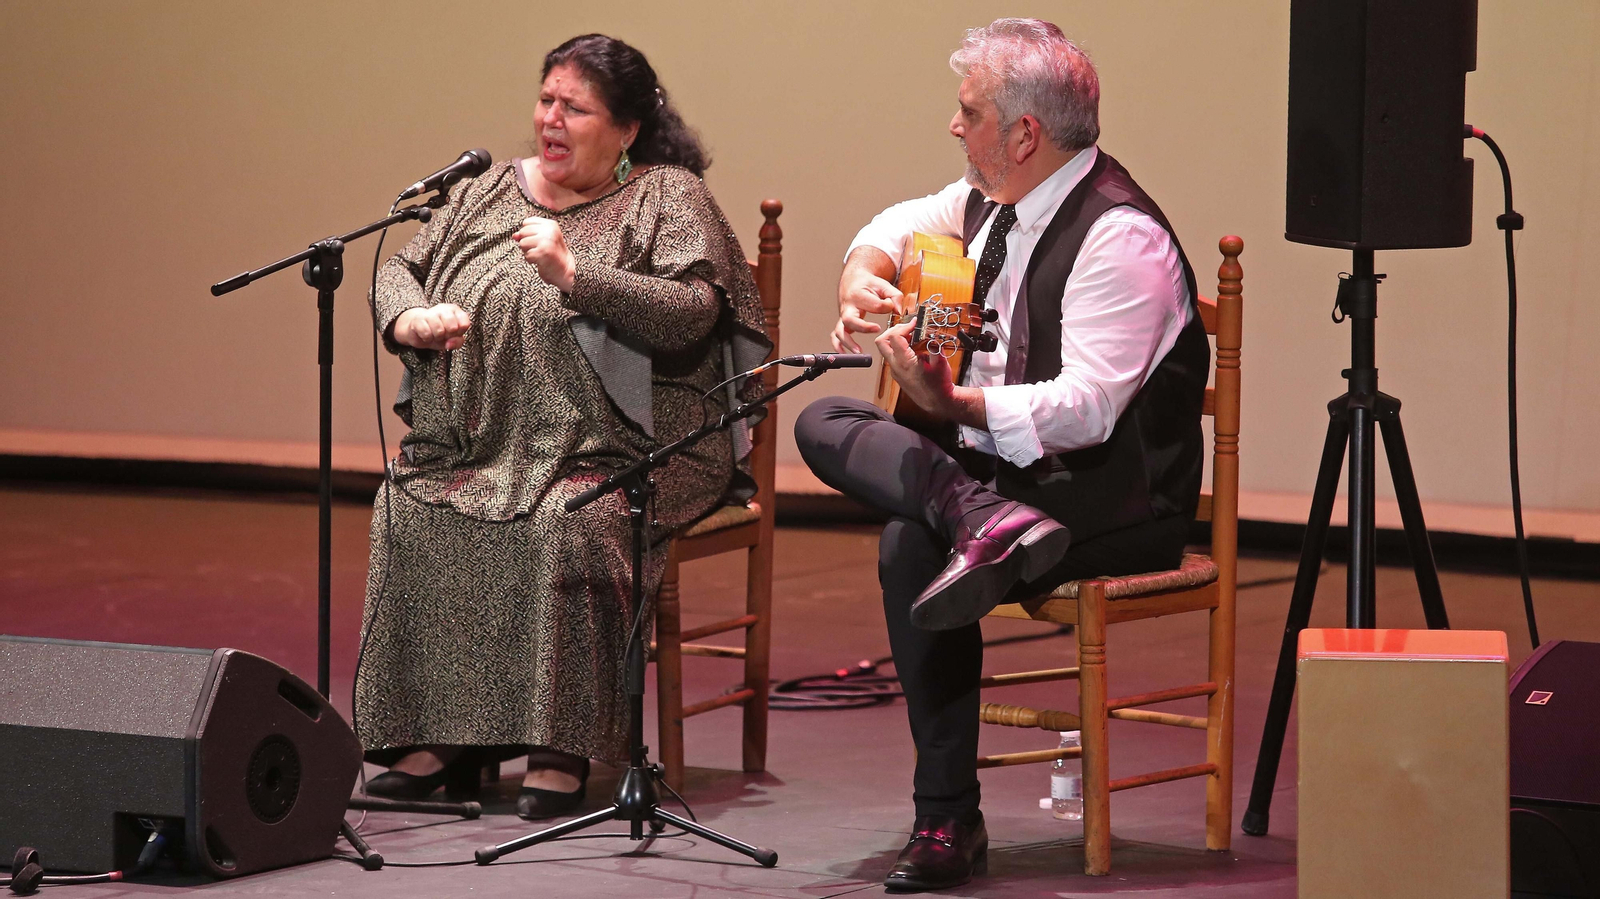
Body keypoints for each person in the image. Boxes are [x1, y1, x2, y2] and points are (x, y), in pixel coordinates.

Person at [794, 18, 1208, 892]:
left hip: (1109, 501)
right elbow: (900, 219)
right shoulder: (993, 196)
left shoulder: (1119, 237)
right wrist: (861, 272)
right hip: (999, 486)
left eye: (968, 111)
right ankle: (979, 517)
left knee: (911, 542)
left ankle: (944, 820)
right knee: (821, 417)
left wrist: (956, 403)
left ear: (1024, 134)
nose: (954, 126)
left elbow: (1088, 410)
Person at [355, 34, 769, 822]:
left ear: (625, 129)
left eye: (573, 107)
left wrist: (578, 274)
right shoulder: (488, 190)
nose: (550, 118)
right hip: (485, 438)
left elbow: (696, 311)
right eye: (546, 99)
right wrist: (408, 314)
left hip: (625, 443)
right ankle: (450, 733)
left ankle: (561, 741)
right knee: (409, 506)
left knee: (566, 523)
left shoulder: (666, 195)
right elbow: (396, 266)